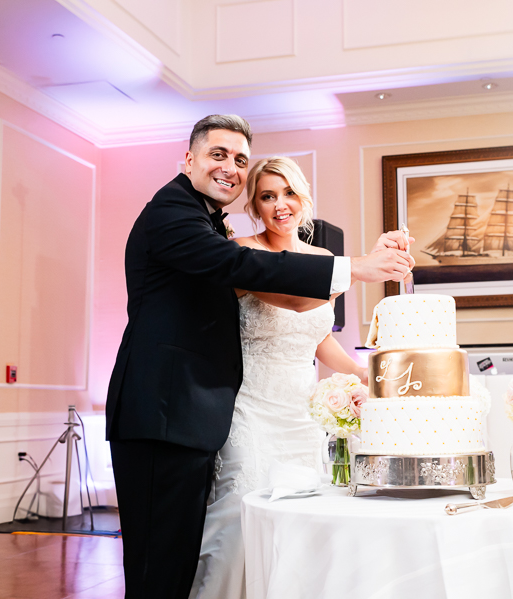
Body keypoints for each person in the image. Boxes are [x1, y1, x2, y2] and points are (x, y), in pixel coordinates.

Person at [105, 115, 414, 599]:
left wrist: (363, 369)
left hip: (198, 415)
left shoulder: (204, 217)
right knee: (159, 563)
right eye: (218, 154)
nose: (230, 167)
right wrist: (357, 268)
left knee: (178, 557)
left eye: (239, 159)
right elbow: (246, 270)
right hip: (164, 413)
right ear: (188, 159)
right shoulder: (173, 214)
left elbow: (307, 321)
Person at [190, 157, 368, 599]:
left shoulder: (324, 259)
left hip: (302, 413)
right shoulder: (240, 251)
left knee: (304, 519)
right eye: (267, 196)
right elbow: (295, 302)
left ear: (303, 196)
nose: (279, 205)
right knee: (240, 515)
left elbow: (318, 338)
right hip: (250, 406)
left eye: (287, 193)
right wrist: (355, 271)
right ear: (254, 204)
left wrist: (365, 372)